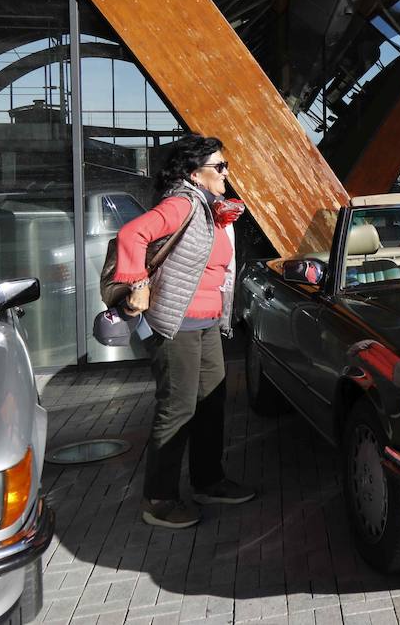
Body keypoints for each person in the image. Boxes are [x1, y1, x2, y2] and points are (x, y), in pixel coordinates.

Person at [114, 134, 255, 528]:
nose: (226, 173)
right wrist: (137, 283)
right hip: (177, 323)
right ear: (195, 173)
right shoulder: (181, 202)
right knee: (178, 408)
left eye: (226, 166)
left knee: (211, 400)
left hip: (206, 322)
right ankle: (158, 500)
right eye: (219, 167)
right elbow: (131, 234)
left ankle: (208, 481)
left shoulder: (207, 207)